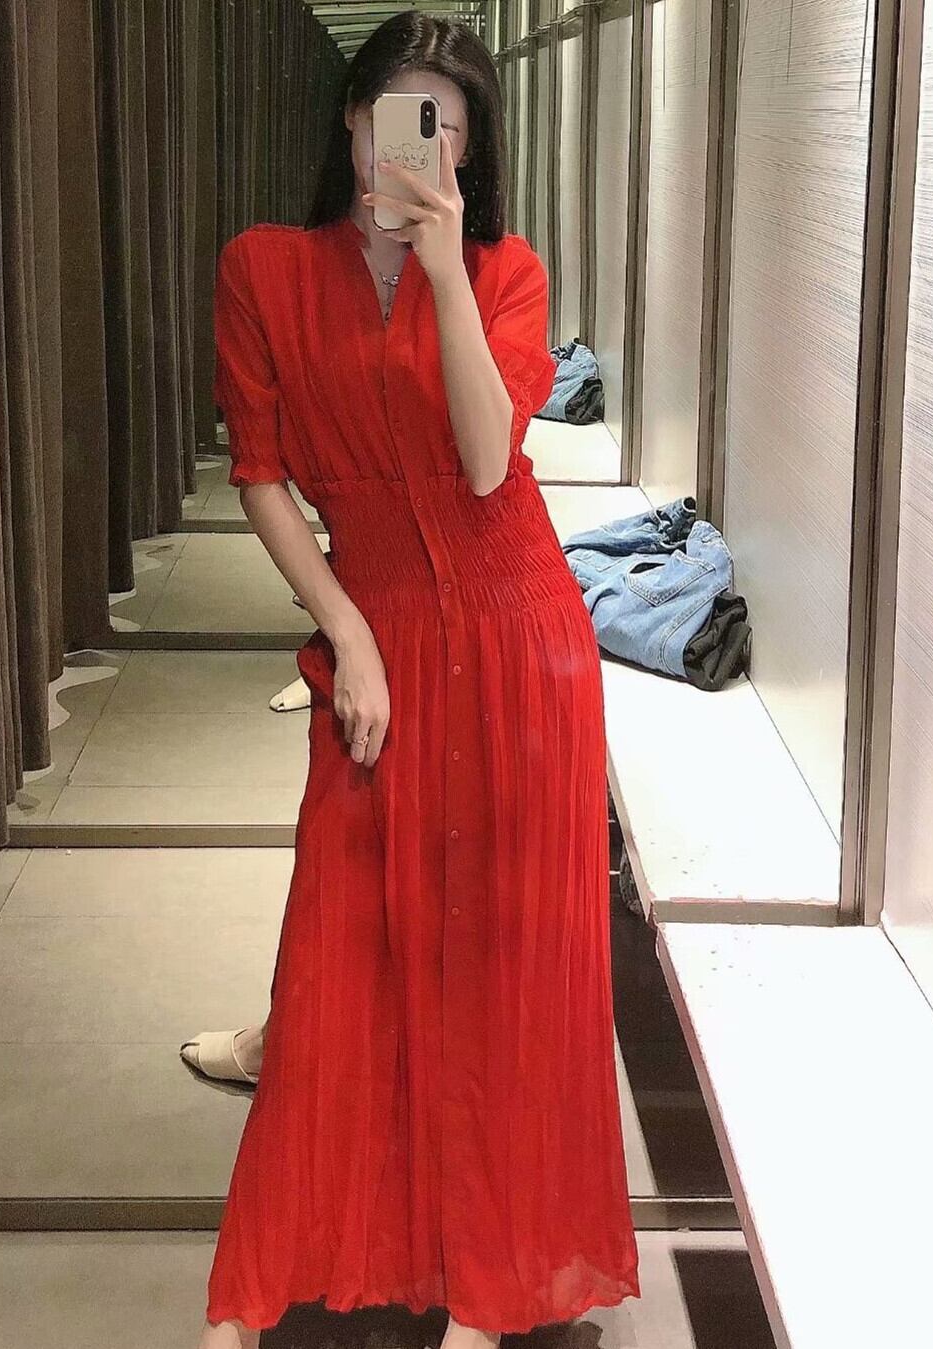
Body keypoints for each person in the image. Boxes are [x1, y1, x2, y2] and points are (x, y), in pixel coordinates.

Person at [191, 14, 640, 1348]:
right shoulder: (264, 269)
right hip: (379, 625)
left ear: (471, 147)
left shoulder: (505, 273)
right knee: (344, 930)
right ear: (350, 120)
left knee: (500, 956)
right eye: (399, 112)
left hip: (516, 640)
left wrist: (445, 274)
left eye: (446, 123)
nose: (418, 144)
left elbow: (490, 464)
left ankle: (487, 1290)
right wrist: (348, 635)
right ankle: (298, 1251)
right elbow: (261, 476)